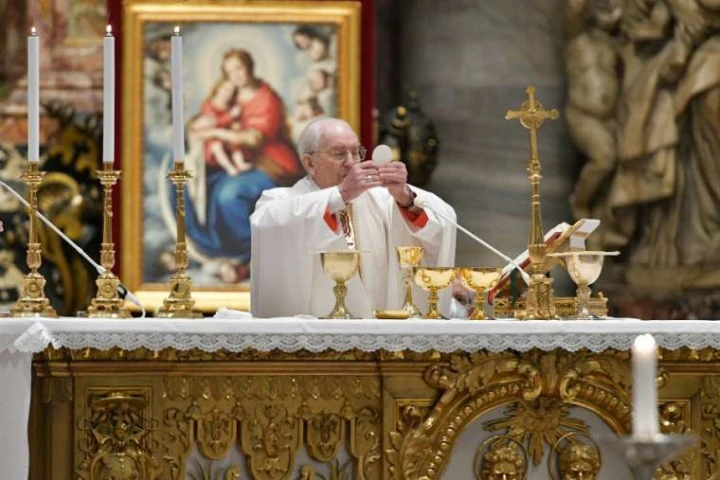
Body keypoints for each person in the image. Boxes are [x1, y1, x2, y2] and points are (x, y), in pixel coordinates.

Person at [250, 117, 456, 318]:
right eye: (339, 154)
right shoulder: (281, 201)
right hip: (314, 335)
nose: (351, 162)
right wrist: (340, 195)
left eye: (356, 152)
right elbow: (267, 224)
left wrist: (406, 198)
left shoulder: (382, 199)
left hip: (380, 332)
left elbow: (444, 218)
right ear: (309, 163)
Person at [183, 49, 302, 283]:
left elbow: (254, 139)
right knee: (205, 188)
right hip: (242, 162)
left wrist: (215, 132)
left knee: (229, 195)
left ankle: (255, 256)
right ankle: (225, 250)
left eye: (238, 68)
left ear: (249, 66)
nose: (235, 75)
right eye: (229, 72)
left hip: (272, 164)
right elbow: (208, 115)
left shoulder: (266, 98)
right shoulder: (230, 94)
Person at [197, 79, 251, 176]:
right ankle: (230, 168)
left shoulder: (230, 106)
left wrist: (235, 124)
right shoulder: (209, 104)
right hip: (211, 137)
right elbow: (212, 124)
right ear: (218, 88)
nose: (228, 93)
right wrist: (230, 116)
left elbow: (234, 122)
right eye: (226, 89)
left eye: (231, 91)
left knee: (235, 134)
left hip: (225, 136)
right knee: (215, 144)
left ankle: (240, 163)